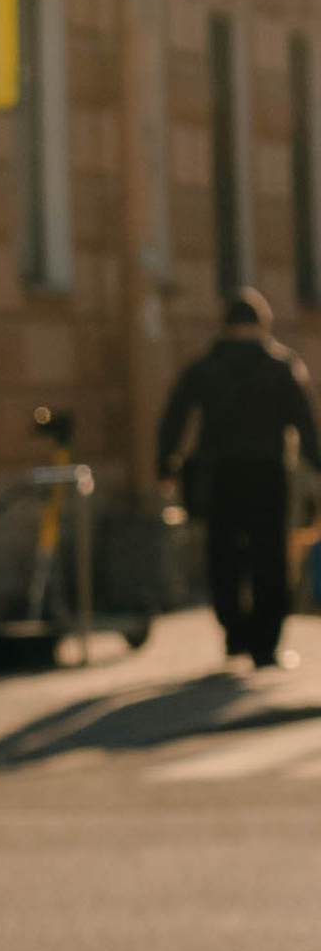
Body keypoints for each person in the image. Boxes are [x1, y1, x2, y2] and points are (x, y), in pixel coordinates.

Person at [155, 287, 321, 671]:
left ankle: (234, 634)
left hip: (221, 473)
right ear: (262, 326)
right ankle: (265, 645)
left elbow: (175, 415)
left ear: (227, 327)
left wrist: (166, 463)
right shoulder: (280, 366)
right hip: (268, 473)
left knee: (223, 556)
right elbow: (305, 425)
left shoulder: (206, 366)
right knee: (270, 557)